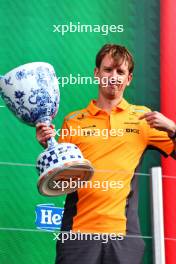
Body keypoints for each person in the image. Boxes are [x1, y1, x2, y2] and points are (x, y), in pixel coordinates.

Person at [36, 44, 176, 264]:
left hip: (124, 238)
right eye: (108, 69)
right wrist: (49, 146)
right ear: (96, 73)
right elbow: (61, 179)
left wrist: (172, 127)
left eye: (120, 72)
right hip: (78, 235)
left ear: (128, 79)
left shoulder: (144, 118)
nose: (114, 77)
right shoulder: (74, 121)